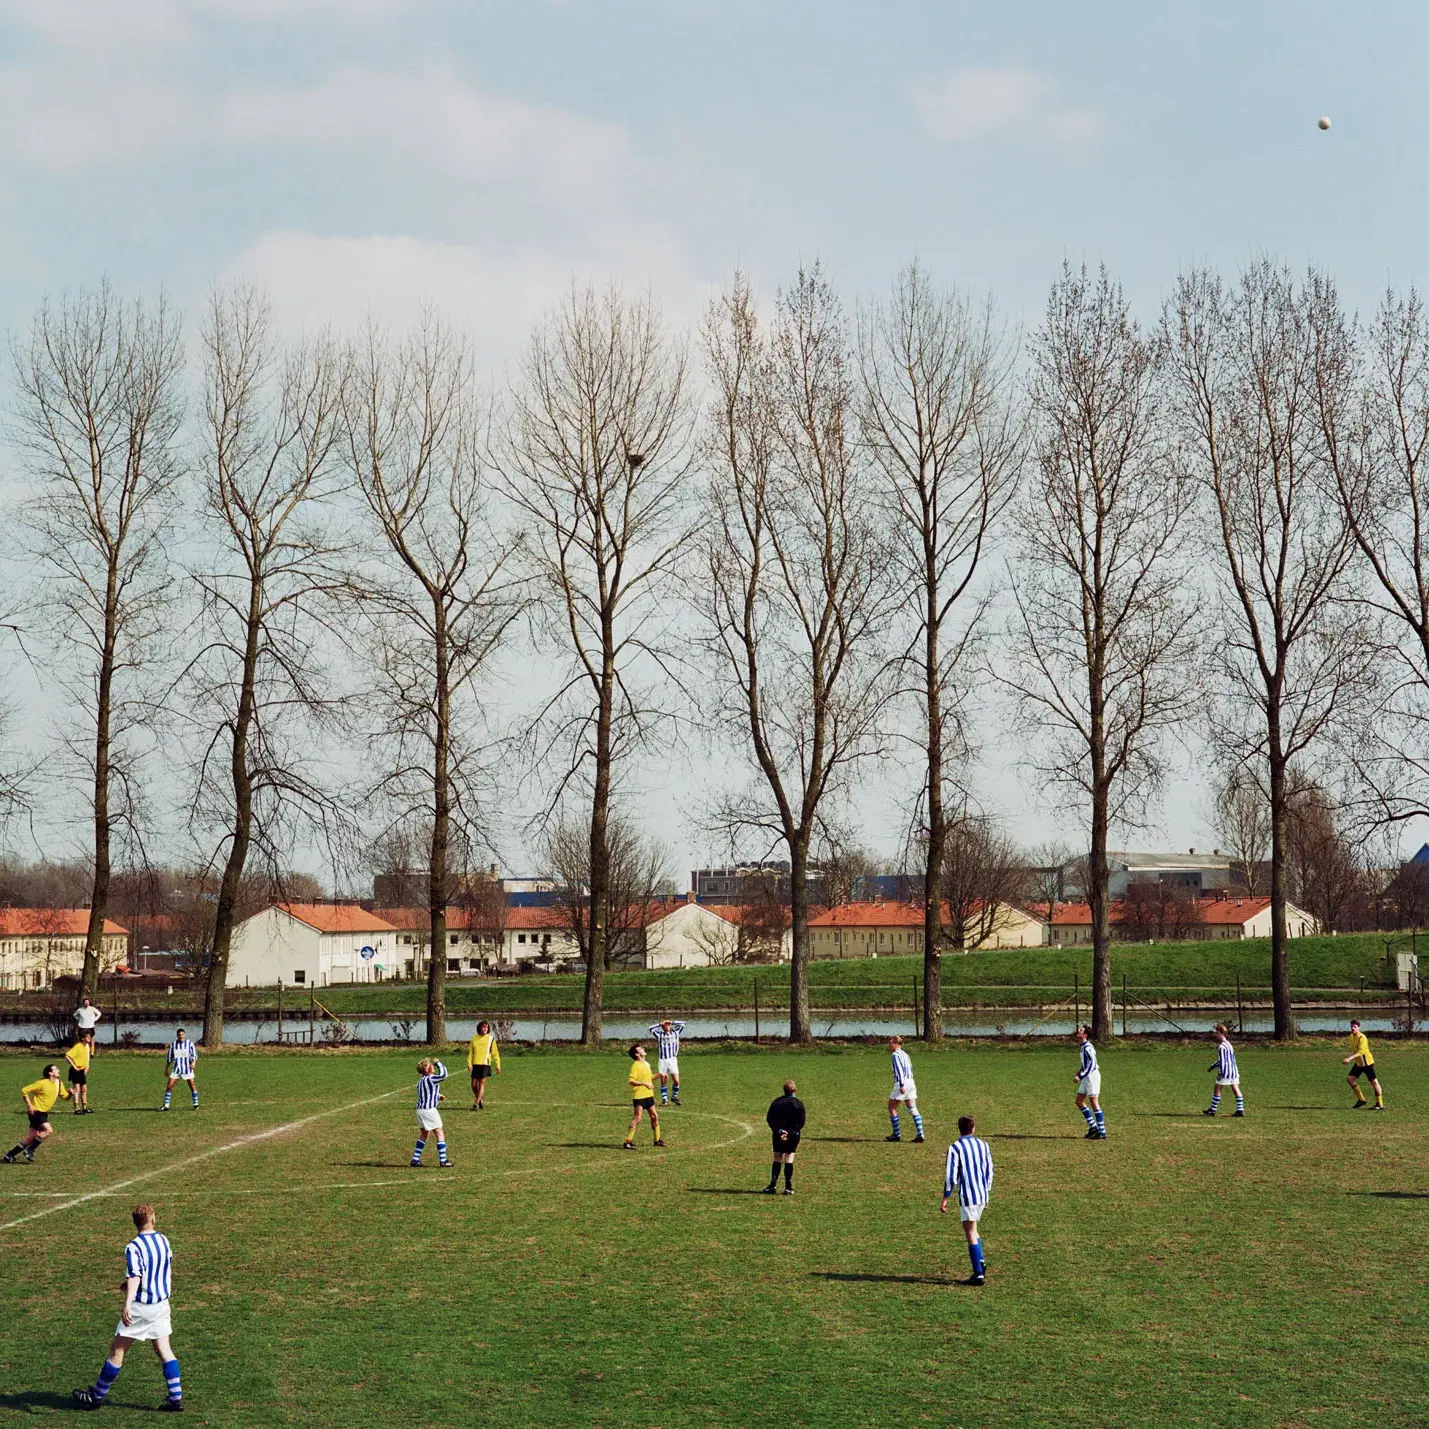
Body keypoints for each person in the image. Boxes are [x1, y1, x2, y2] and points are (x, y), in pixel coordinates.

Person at [72, 1203, 183, 1412]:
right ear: (153, 1219)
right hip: (161, 1304)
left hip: (142, 1306)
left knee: (117, 1349)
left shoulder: (134, 1246)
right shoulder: (163, 1239)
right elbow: (162, 1267)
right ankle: (176, 1398)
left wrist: (127, 1304)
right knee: (163, 1349)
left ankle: (95, 1397)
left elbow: (135, 1275)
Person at [941, 1114, 995, 1286]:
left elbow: (951, 1176)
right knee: (974, 1229)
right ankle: (981, 1263)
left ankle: (978, 1274)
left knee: (970, 1231)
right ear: (973, 1128)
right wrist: (987, 1190)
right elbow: (989, 1169)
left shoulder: (955, 1148)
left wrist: (945, 1197)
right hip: (982, 1194)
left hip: (968, 1195)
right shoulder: (983, 1145)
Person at [4, 1063, 71, 1163]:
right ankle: (30, 1151)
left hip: (43, 1113)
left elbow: (65, 1097)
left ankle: (9, 1155)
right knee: (49, 1130)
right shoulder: (42, 1083)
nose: (59, 1071)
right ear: (50, 1073)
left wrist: (70, 1094)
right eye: (56, 1069)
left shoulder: (59, 1083)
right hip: (36, 1112)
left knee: (31, 1138)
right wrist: (30, 1106)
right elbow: (24, 1090)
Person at [763, 1079, 805, 1195]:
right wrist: (790, 1133)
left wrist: (780, 1131)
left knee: (777, 1156)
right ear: (795, 1090)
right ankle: (788, 1187)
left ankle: (773, 1185)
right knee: (789, 1157)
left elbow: (770, 1119)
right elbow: (800, 1123)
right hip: (793, 1136)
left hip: (778, 1135)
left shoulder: (777, 1102)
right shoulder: (798, 1104)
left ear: (784, 1090)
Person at [411, 1058, 452, 1166]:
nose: (432, 1067)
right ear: (426, 1068)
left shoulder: (420, 1082)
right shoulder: (431, 1079)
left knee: (424, 1134)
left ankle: (415, 1159)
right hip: (429, 1111)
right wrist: (438, 1063)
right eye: (430, 1065)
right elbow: (444, 1075)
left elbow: (426, 1094)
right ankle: (443, 1161)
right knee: (439, 1133)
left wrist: (438, 1096)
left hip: (420, 1111)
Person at [623, 1045, 664, 1150]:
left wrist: (659, 1075)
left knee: (655, 1116)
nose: (643, 1049)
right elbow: (631, 1081)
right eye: (640, 1049)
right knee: (638, 1118)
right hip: (639, 1096)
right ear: (637, 1054)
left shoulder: (647, 1064)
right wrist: (644, 1084)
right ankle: (628, 1141)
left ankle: (657, 1140)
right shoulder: (635, 1065)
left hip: (649, 1095)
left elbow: (649, 1077)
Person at [886, 1035, 925, 1142]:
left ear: (896, 1043)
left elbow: (899, 1070)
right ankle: (920, 1134)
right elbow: (910, 1068)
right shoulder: (906, 1054)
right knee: (912, 1108)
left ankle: (896, 1134)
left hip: (902, 1083)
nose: (889, 1045)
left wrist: (901, 1085)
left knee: (891, 1108)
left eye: (890, 1043)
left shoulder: (895, 1055)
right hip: (911, 1082)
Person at [1342, 1019, 1384, 1110]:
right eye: (1351, 1027)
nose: (1353, 1028)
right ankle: (1361, 1100)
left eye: (1355, 1027)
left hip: (1366, 1063)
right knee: (1350, 1079)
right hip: (1359, 1063)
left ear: (1358, 1027)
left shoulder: (1362, 1038)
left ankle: (1380, 1104)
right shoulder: (1351, 1037)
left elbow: (1361, 1052)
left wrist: (1349, 1058)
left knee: (1374, 1082)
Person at [1203, 1023, 1244, 1117]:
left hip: (1226, 1072)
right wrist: (1212, 1067)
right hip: (1233, 1071)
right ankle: (1240, 1110)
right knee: (1235, 1089)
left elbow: (1222, 1061)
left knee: (1217, 1089)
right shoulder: (1229, 1044)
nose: (1216, 1035)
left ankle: (1212, 1110)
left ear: (1223, 1034)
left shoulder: (1221, 1047)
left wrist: (1220, 1072)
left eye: (1217, 1033)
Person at [1074, 1025, 1106, 1139]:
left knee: (1093, 1102)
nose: (1078, 1031)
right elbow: (1086, 1064)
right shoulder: (1083, 1047)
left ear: (1085, 1035)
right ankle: (1093, 1127)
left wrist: (1081, 1075)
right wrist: (1079, 1071)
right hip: (1086, 1077)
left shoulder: (1088, 1047)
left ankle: (1102, 1132)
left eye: (1081, 1030)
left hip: (1092, 1077)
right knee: (1079, 1101)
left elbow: (1092, 1065)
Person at [649, 1018, 685, 1105]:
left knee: (676, 1081)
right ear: (663, 1027)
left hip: (672, 1060)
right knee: (664, 1079)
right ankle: (664, 1100)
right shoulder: (659, 1035)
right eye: (666, 1025)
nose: (668, 1026)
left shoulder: (676, 1033)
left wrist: (672, 1022)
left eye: (668, 1025)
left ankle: (674, 1097)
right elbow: (650, 1028)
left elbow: (683, 1023)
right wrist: (660, 1023)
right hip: (663, 1060)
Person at [466, 1020, 502, 1110]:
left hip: (485, 1064)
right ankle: (480, 1099)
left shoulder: (491, 1039)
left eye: (486, 1027)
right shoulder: (474, 1038)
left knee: (481, 1084)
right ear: (479, 1028)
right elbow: (471, 1053)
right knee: (473, 1085)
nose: (485, 1029)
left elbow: (495, 1053)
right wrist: (469, 1063)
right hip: (476, 1064)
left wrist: (498, 1065)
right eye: (483, 1027)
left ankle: (476, 1103)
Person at [161, 1030, 198, 1112]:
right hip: (176, 1069)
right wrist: (166, 1069)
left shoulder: (189, 1043)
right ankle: (166, 1106)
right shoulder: (174, 1044)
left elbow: (194, 1054)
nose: (181, 1036)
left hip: (187, 1069)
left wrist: (194, 1062)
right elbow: (169, 1057)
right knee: (169, 1086)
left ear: (184, 1034)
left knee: (192, 1086)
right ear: (177, 1035)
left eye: (182, 1034)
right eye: (179, 1035)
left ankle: (196, 1104)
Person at [66, 1029, 96, 1114]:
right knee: (77, 1089)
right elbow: (67, 1056)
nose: (89, 1038)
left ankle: (85, 1107)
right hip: (76, 1070)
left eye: (90, 1036)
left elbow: (87, 1057)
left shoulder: (87, 1046)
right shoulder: (78, 1046)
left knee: (84, 1089)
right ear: (83, 1038)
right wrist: (74, 1066)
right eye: (87, 1036)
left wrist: (87, 1066)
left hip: (82, 1070)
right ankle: (77, 1108)